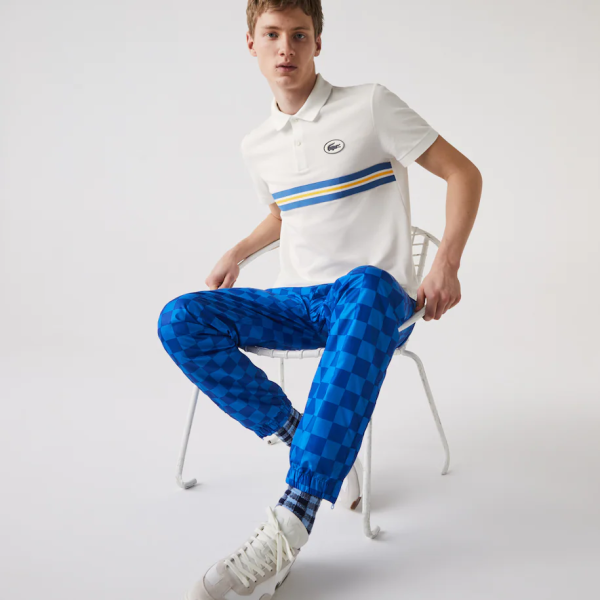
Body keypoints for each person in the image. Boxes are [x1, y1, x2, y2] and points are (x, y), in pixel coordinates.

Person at [157, 1, 482, 598]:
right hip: (299, 302)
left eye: (299, 35)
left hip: (373, 304)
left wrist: (447, 263)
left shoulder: (370, 105)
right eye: (272, 34)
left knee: (368, 283)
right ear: (251, 44)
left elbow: (464, 173)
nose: (286, 48)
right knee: (181, 319)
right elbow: (285, 213)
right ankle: (310, 437)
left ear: (317, 43)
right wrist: (238, 249)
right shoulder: (258, 144)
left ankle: (288, 525)